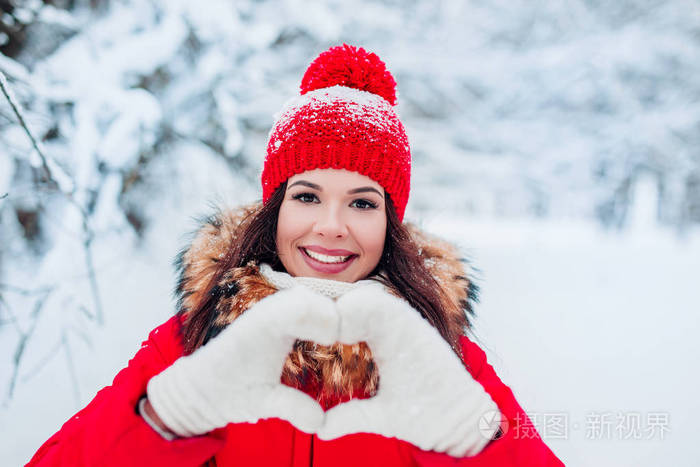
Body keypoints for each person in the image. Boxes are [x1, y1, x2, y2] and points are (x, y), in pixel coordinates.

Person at [27, 44, 564, 466]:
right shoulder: (196, 341)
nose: (331, 227)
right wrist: (158, 425)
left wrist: (478, 442)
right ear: (275, 208)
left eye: (362, 202)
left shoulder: (438, 352)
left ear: (390, 223)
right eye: (306, 196)